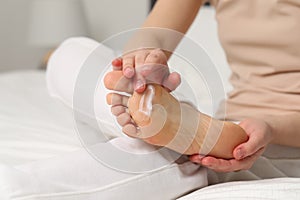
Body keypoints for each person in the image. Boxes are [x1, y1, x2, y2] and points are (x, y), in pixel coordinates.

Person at [104, 0, 300, 179]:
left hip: (281, 137)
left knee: (136, 153)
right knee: (75, 50)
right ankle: (155, 110)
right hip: (229, 122)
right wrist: (142, 62)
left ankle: (196, 130)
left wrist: (272, 128)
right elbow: (156, 34)